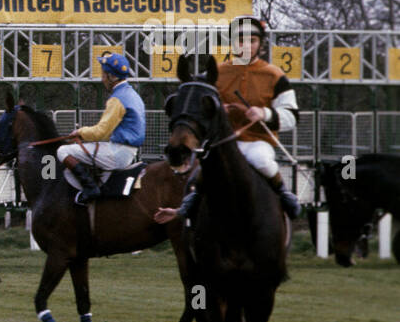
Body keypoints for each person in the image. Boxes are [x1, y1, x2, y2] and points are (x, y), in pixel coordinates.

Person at [154, 15, 301, 223]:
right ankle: (190, 206)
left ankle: (283, 192)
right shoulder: (216, 73)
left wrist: (264, 113)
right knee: (203, 169)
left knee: (261, 160)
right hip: (221, 142)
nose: (246, 46)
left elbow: (292, 116)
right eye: (241, 40)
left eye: (252, 41)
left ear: (260, 44)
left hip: (257, 142)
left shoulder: (275, 76)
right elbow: (197, 101)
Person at [58, 52, 145, 205]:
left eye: (103, 74)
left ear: (111, 77)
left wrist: (79, 132)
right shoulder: (133, 94)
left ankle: (90, 189)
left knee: (63, 151)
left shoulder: (117, 99)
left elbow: (101, 132)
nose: (102, 78)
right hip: (128, 151)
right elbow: (106, 134)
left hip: (117, 153)